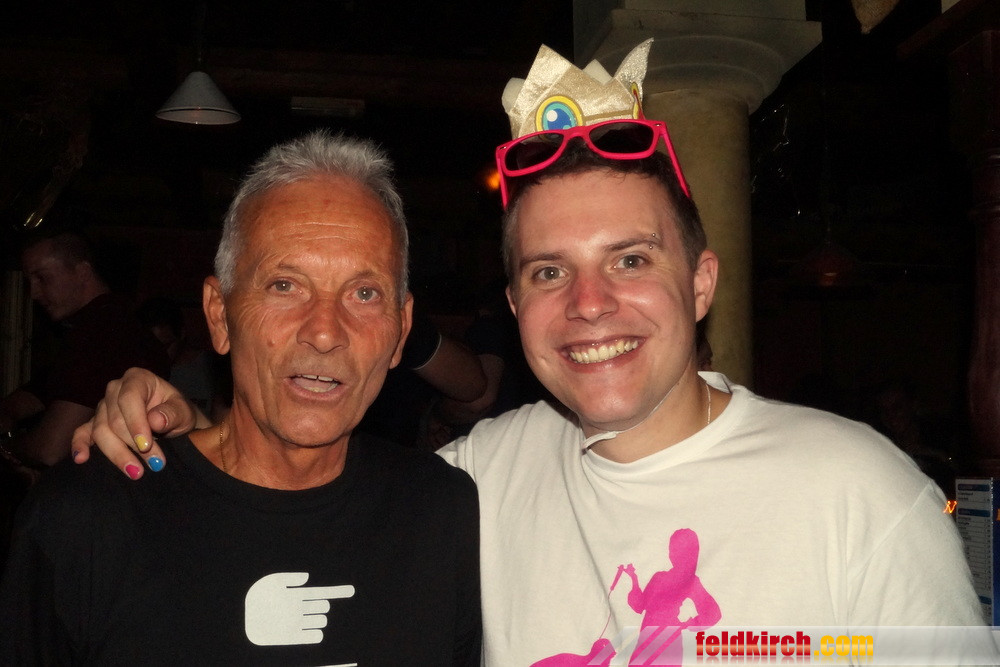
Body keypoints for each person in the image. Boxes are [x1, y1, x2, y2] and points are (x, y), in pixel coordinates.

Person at [69, 42, 984, 665]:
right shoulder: (477, 481)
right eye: (550, 271)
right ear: (515, 307)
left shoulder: (862, 493)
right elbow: (302, 473)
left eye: (631, 259)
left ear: (702, 282)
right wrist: (189, 425)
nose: (589, 303)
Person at [0, 131, 482, 665]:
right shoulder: (85, 520)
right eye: (285, 285)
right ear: (219, 316)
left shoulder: (443, 512)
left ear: (401, 329)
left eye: (364, 293)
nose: (325, 332)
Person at [0, 229, 170, 469]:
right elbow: (40, 391)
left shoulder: (100, 332)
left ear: (83, 272)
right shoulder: (108, 324)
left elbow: (51, 449)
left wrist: (8, 446)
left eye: (42, 278)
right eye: (30, 282)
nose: (34, 293)